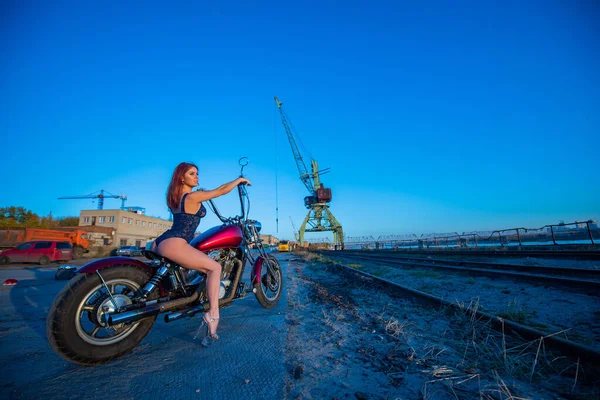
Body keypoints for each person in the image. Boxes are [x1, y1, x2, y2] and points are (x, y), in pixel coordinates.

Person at [152, 162, 250, 341]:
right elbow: (221, 190)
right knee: (214, 268)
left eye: (197, 173)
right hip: (175, 242)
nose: (197, 176)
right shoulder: (191, 197)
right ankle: (213, 315)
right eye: (192, 174)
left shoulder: (175, 197)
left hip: (161, 241)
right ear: (182, 177)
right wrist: (239, 180)